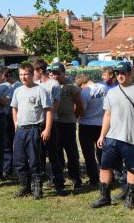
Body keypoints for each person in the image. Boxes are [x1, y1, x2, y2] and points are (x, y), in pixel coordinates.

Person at [91, 61, 134, 210]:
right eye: (117, 73)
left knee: (132, 169)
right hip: (112, 138)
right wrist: (102, 135)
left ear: (129, 74)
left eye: (123, 73)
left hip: (131, 139)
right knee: (105, 167)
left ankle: (130, 198)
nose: (120, 76)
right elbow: (107, 115)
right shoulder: (111, 92)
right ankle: (105, 197)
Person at [10, 62, 53, 199]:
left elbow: (49, 111)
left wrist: (47, 129)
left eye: (26, 74)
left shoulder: (40, 90)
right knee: (19, 160)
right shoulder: (18, 91)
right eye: (21, 74)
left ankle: (37, 188)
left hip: (34, 129)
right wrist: (15, 123)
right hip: (20, 130)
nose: (23, 77)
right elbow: (14, 108)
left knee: (35, 160)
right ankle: (25, 187)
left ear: (32, 74)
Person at [33, 59, 65, 195]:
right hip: (38, 124)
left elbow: (55, 104)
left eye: (33, 71)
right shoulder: (35, 84)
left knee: (53, 153)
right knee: (39, 154)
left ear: (40, 71)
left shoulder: (53, 84)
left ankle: (58, 182)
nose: (32, 74)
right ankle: (40, 182)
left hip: (51, 123)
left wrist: (48, 122)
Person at [50, 62, 85, 191]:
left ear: (64, 73)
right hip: (54, 123)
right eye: (53, 73)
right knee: (56, 151)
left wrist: (74, 117)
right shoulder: (50, 86)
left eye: (57, 73)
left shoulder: (71, 87)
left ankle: (76, 178)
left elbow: (79, 104)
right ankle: (58, 179)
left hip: (68, 123)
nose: (55, 76)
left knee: (71, 152)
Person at [77, 73, 107, 187]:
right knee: (102, 152)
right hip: (102, 124)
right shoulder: (105, 87)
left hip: (87, 125)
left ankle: (93, 178)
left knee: (88, 153)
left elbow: (82, 111)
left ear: (82, 84)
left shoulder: (85, 93)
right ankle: (107, 176)